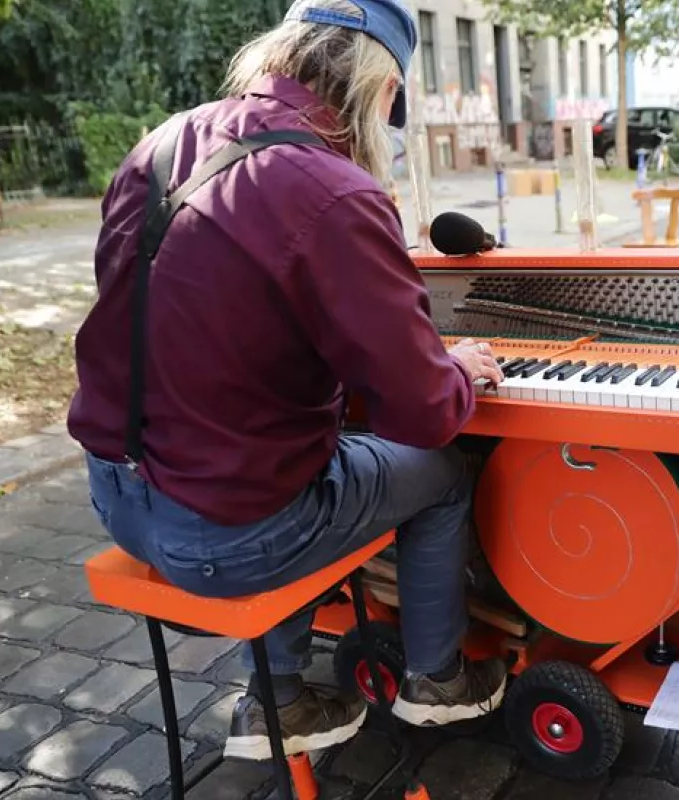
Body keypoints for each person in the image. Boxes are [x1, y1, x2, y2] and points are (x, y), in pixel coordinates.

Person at [67, 0, 509, 763]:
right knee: (439, 471)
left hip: (116, 497)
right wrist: (453, 367)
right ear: (379, 93)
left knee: (273, 445)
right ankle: (436, 680)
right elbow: (428, 410)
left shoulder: (165, 141)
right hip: (223, 537)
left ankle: (278, 696)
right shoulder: (334, 192)